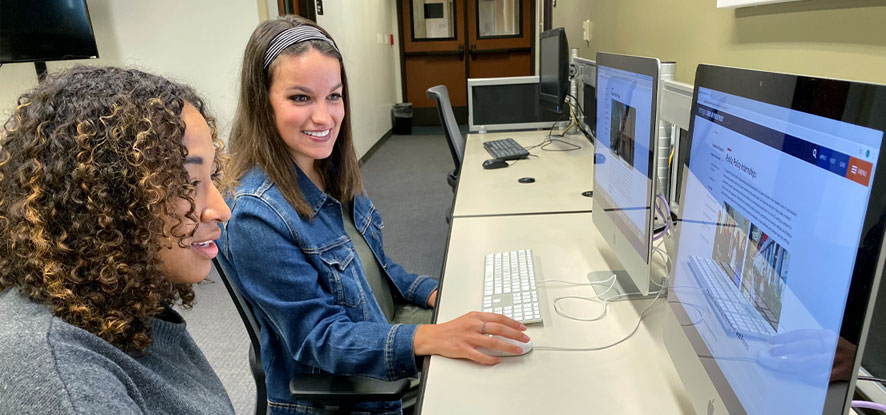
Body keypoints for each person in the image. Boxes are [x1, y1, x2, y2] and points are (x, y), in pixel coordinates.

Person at [219, 16, 529, 414]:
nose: (324, 117)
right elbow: (322, 339)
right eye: (300, 98)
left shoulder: (328, 170)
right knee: (504, 393)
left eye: (333, 96)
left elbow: (376, 272)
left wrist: (434, 292)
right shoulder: (256, 218)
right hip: (362, 386)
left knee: (512, 351)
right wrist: (428, 338)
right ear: (262, 103)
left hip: (385, 331)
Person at [0, 66, 235, 414]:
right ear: (102, 198)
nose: (220, 210)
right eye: (186, 181)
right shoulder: (70, 386)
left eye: (211, 175)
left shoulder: (121, 305)